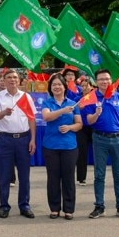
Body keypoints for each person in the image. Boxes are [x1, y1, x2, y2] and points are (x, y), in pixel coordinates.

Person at [81, 70, 119, 219]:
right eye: (101, 79)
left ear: (111, 80)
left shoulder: (118, 97)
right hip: (99, 138)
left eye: (107, 79)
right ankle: (99, 206)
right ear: (96, 82)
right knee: (99, 174)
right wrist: (97, 113)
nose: (105, 82)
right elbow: (89, 121)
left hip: (117, 138)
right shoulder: (91, 98)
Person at [0, 69, 36, 219]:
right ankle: (4, 206)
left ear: (19, 80)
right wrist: (4, 113)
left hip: (23, 139)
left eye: (15, 77)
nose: (12, 80)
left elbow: (31, 119)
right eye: (9, 77)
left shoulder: (26, 97)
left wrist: (33, 139)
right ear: (3, 80)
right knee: (4, 175)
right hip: (5, 140)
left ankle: (24, 205)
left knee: (24, 175)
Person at [41, 72, 81, 219]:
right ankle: (54, 208)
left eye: (59, 84)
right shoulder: (47, 103)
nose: (57, 87)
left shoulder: (73, 103)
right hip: (50, 145)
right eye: (54, 85)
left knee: (68, 177)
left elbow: (79, 124)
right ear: (50, 88)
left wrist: (70, 128)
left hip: (69, 146)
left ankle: (69, 209)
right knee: (53, 178)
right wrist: (63, 111)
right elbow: (46, 117)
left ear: (65, 86)